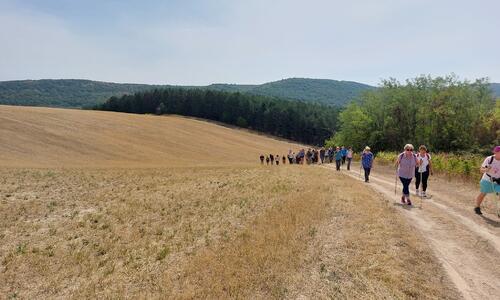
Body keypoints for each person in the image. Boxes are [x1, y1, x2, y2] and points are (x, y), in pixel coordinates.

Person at [474, 146, 500, 215]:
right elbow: (481, 170)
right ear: (495, 152)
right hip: (487, 180)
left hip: (498, 181)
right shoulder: (489, 159)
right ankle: (477, 207)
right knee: (483, 193)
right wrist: (487, 169)